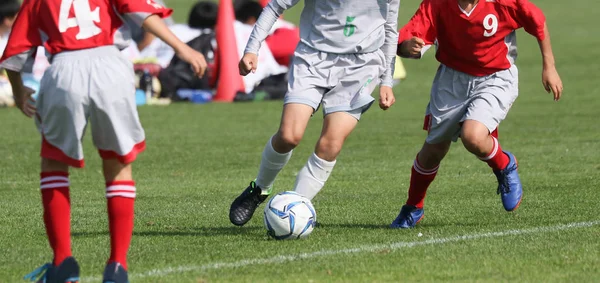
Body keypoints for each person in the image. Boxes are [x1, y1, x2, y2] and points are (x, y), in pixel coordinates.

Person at [0, 0, 207, 282]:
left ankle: (62, 264)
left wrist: (19, 90)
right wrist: (182, 48)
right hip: (111, 66)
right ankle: (117, 266)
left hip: (64, 68)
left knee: (54, 162)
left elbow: (17, 48)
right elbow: (141, 12)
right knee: (118, 163)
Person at [391, 0, 563, 228]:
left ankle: (504, 164)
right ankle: (413, 207)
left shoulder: (503, 3)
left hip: (496, 77)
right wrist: (405, 47)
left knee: (473, 136)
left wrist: (549, 66)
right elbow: (407, 40)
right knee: (433, 150)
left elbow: (537, 20)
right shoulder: (437, 4)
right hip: (451, 81)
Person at [229, 0, 400, 226]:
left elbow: (390, 27)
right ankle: (259, 188)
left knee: (330, 145)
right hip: (312, 58)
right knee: (289, 136)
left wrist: (386, 81)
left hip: (361, 65)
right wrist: (252, 48)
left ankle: (295, 209)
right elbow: (274, 7)